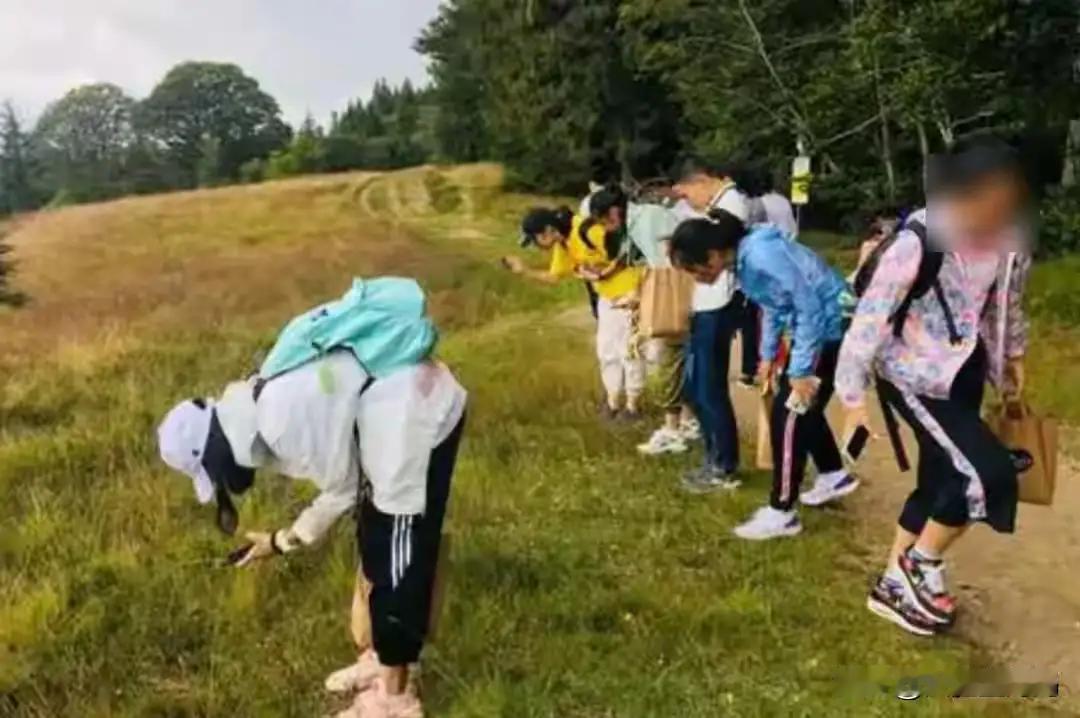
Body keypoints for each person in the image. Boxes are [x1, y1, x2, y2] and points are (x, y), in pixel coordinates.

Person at [158, 352, 467, 718]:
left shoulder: (277, 422)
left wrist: (285, 539)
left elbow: (343, 488)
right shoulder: (258, 405)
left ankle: (395, 698)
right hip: (396, 412)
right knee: (375, 537)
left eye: (212, 470)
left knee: (398, 559)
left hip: (423, 414)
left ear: (213, 448)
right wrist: (279, 541)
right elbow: (349, 475)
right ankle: (383, 657)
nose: (224, 479)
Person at [836, 134, 1030, 637]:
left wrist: (1011, 359)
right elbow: (868, 323)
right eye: (991, 199)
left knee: (941, 480)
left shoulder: (1010, 242)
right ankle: (918, 565)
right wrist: (852, 400)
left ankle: (891, 586)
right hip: (913, 374)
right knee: (987, 474)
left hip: (965, 370)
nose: (1000, 211)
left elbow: (1005, 305)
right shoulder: (917, 242)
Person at [669, 216, 859, 537]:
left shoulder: (760, 256)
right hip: (823, 326)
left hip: (830, 326)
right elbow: (772, 305)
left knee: (789, 416)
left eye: (693, 269)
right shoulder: (747, 260)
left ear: (712, 255)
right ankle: (833, 474)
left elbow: (808, 306)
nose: (696, 279)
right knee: (802, 411)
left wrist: (800, 370)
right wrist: (767, 355)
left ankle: (782, 512)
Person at [666, 157, 756, 490]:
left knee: (709, 388)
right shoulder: (721, 205)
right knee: (696, 387)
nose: (688, 202)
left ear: (701, 180)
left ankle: (723, 465)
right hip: (706, 306)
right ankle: (714, 458)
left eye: (687, 194)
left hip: (718, 306)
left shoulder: (731, 205)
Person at [506, 206, 645, 420]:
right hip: (606, 297)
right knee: (607, 351)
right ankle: (613, 402)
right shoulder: (563, 243)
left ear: (548, 230)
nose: (537, 246)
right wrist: (524, 271)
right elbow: (554, 277)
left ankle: (633, 406)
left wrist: (603, 274)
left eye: (535, 240)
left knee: (628, 350)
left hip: (629, 294)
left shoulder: (586, 229)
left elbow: (627, 251)